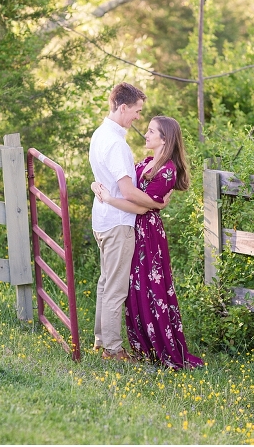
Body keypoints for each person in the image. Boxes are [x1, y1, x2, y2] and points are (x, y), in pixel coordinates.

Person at [93, 116, 203, 370]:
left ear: (165, 139)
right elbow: (123, 185)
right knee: (134, 288)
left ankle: (156, 345)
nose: (146, 134)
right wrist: (96, 184)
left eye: (152, 131)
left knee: (150, 288)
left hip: (148, 233)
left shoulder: (167, 170)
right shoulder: (145, 162)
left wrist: (110, 199)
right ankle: (138, 344)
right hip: (132, 227)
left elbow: (141, 208)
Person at [89, 82, 169, 362]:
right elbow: (129, 192)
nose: (138, 117)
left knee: (105, 282)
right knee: (115, 288)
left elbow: (103, 181)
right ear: (123, 107)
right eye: (137, 111)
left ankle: (101, 340)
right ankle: (113, 350)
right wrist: (156, 204)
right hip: (118, 223)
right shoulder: (116, 145)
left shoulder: (99, 134)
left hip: (102, 219)